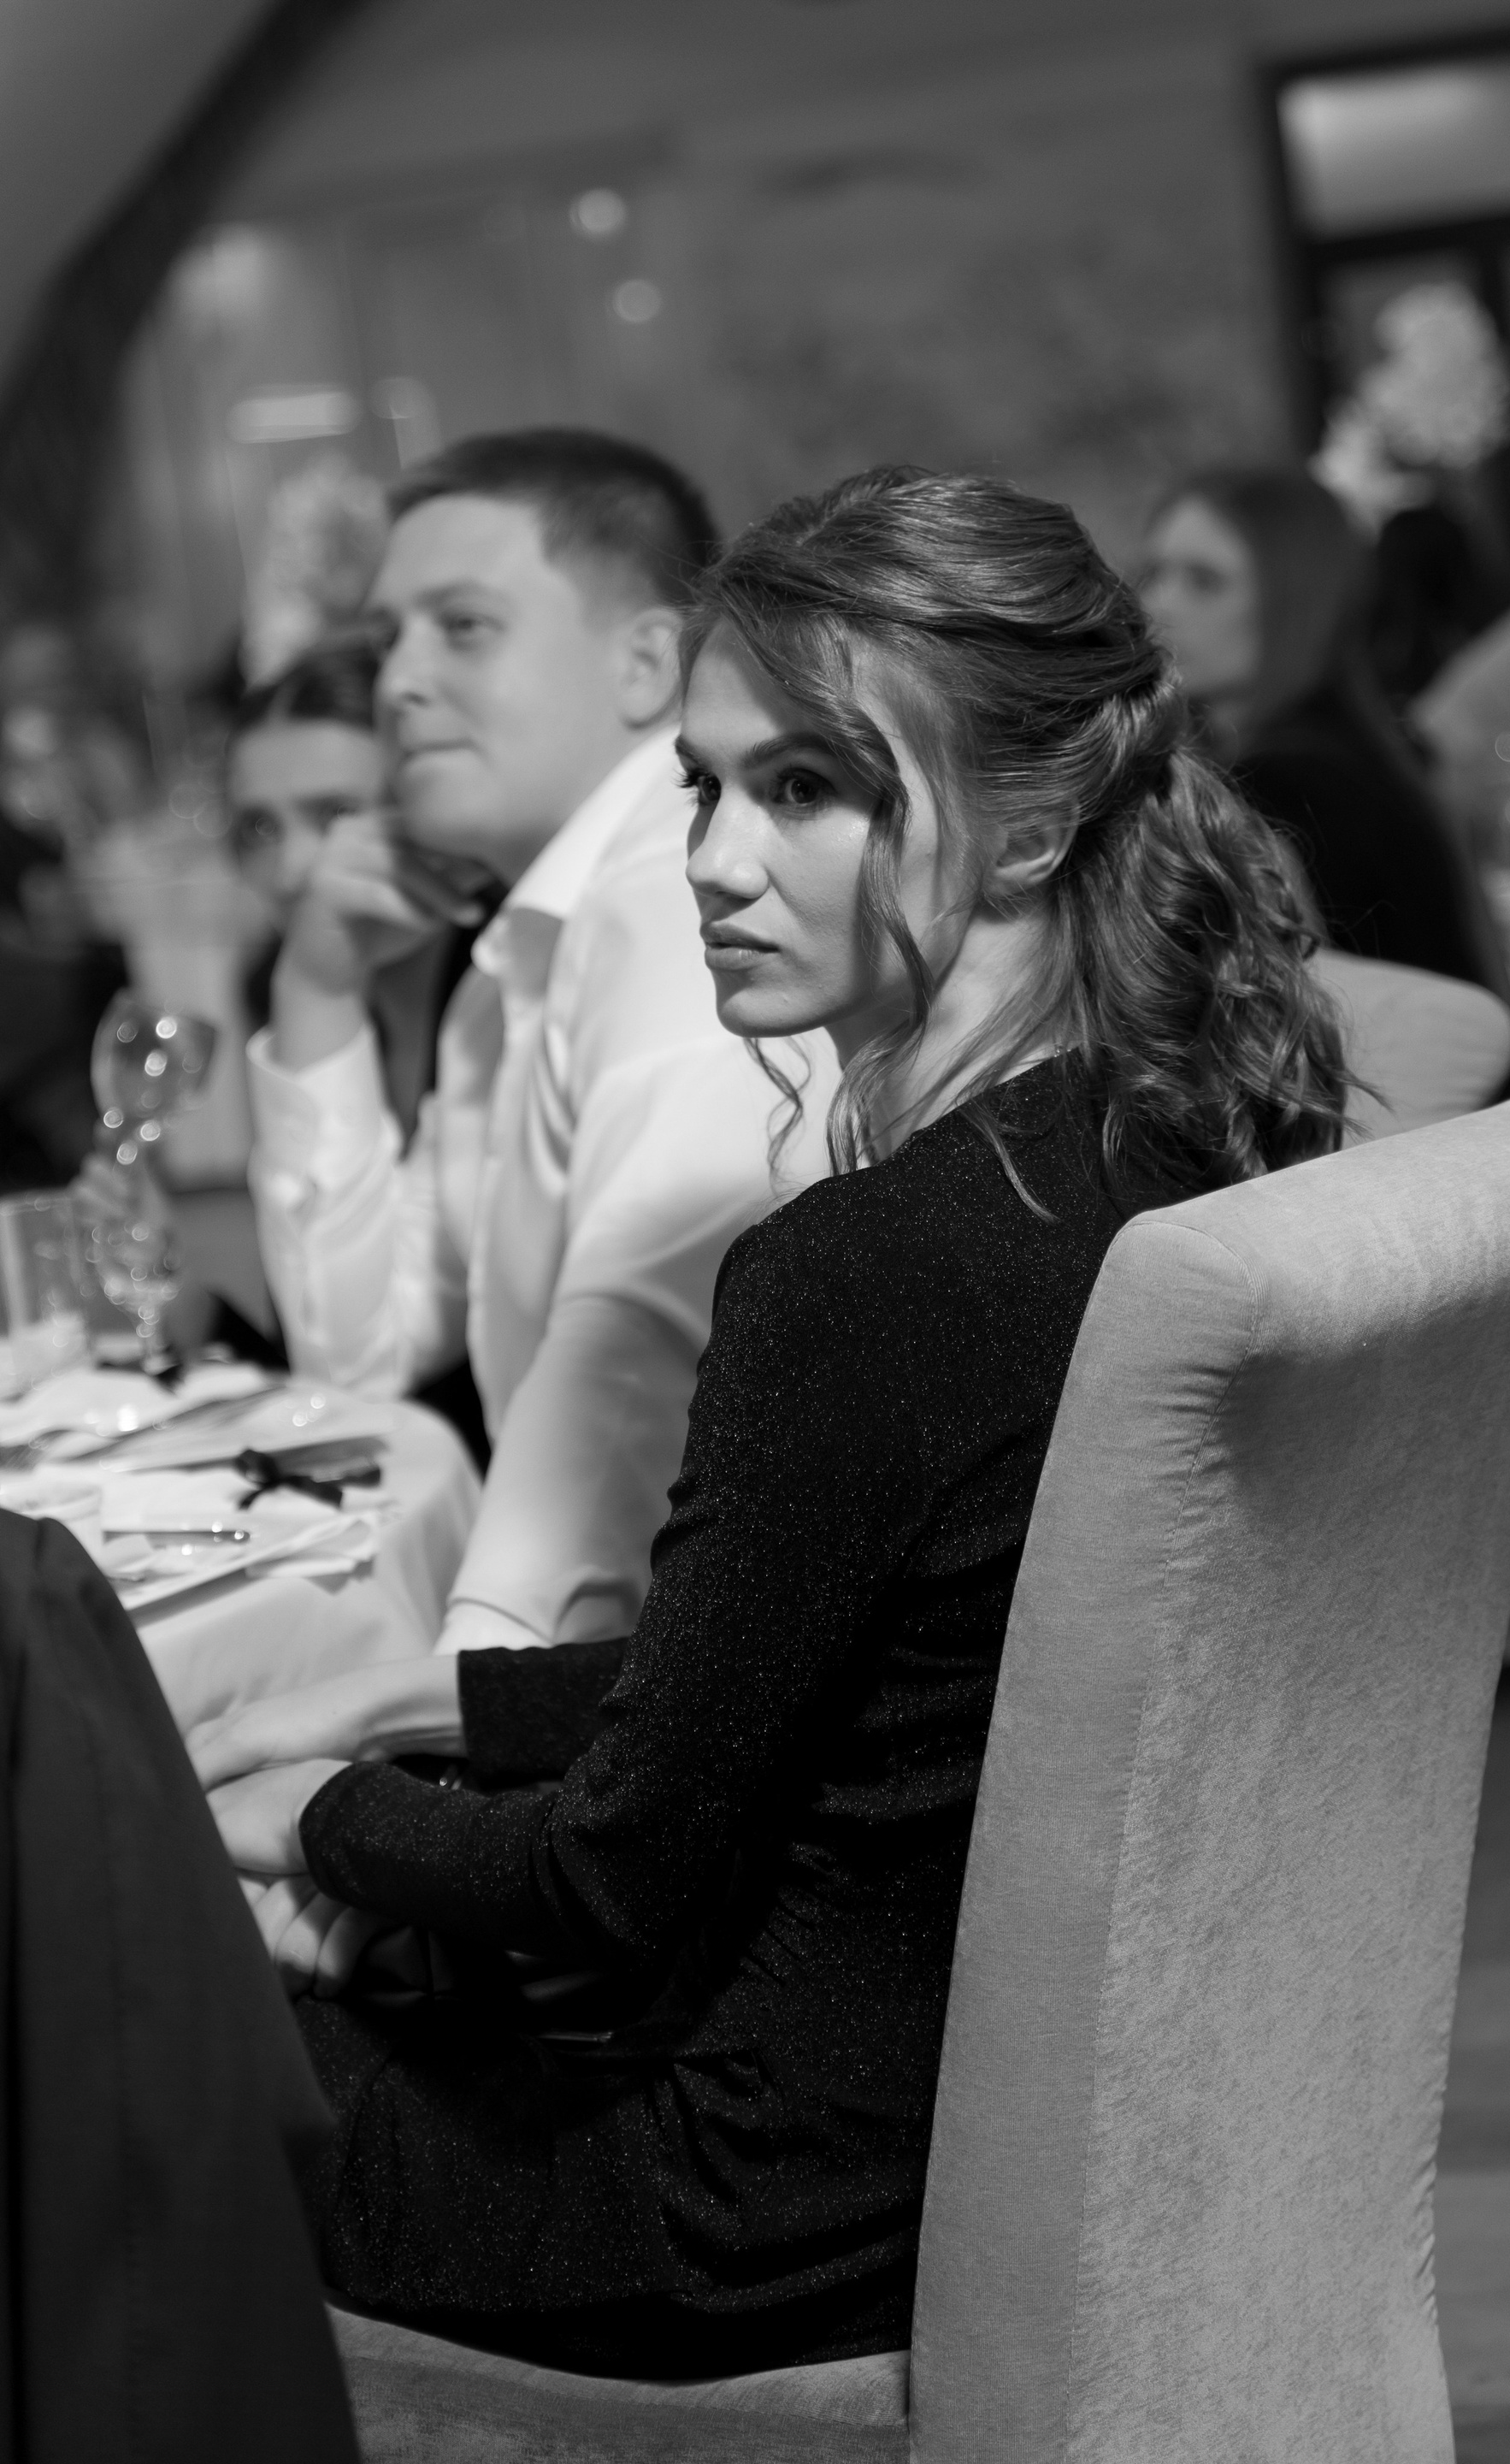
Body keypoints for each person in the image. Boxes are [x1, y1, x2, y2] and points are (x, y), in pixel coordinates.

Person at [195, 467, 1348, 2378]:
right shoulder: (1157, 1136)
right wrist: (415, 1704)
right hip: (1012, 2117)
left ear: (1033, 815)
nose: (716, 861)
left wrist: (303, 1817)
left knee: (96, 2000)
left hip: (740, 2205)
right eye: (703, 788)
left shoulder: (870, 1271)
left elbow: (604, 1880)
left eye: (807, 788)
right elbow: (852, 1682)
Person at [246, 430, 829, 1647]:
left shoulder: (679, 902)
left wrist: (465, 1719)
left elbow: (634, 1402)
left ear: (647, 662)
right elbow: (357, 1353)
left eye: (462, 626)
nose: (397, 684)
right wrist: (318, 983)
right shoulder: (520, 956)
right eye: (386, 639)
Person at [1139, 467, 1504, 996]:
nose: (1159, 604)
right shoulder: (1370, 747)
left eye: (1204, 581)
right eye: (1153, 573)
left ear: (1296, 601)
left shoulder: (1284, 788)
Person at [228, 631, 471, 1146]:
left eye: (336, 814)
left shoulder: (512, 986)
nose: (291, 872)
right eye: (261, 829)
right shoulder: (281, 985)